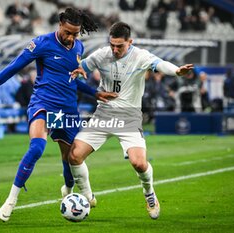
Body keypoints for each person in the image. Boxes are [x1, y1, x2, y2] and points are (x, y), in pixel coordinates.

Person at [0, 8, 117, 222]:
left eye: (75, 33)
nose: (71, 37)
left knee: (70, 158)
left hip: (67, 109)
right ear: (60, 23)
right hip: (43, 103)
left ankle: (69, 190)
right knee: (37, 148)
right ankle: (11, 201)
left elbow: (74, 80)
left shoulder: (78, 47)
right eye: (68, 32)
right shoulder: (41, 43)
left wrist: (95, 93)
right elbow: (12, 68)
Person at [68, 22, 193, 219]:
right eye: (112, 45)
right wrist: (78, 69)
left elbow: (160, 64)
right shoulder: (102, 54)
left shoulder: (140, 56)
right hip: (104, 115)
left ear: (130, 42)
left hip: (129, 116)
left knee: (139, 163)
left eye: (120, 46)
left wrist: (177, 71)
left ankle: (149, 193)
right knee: (74, 156)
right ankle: (87, 196)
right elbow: (81, 65)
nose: (115, 50)